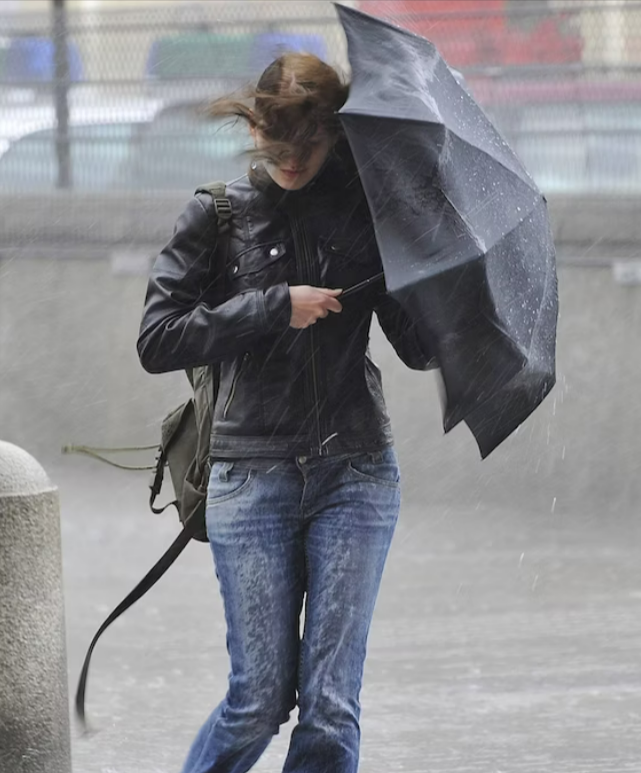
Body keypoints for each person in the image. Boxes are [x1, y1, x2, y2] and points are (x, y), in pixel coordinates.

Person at [136, 53, 436, 773]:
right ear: (256, 127)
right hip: (251, 478)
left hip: (356, 472)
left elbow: (418, 350)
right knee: (258, 699)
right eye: (278, 144)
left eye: (309, 145)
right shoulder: (218, 214)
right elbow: (157, 338)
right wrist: (274, 305)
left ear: (336, 135)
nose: (293, 160)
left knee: (331, 708)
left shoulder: (366, 214)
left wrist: (425, 275)